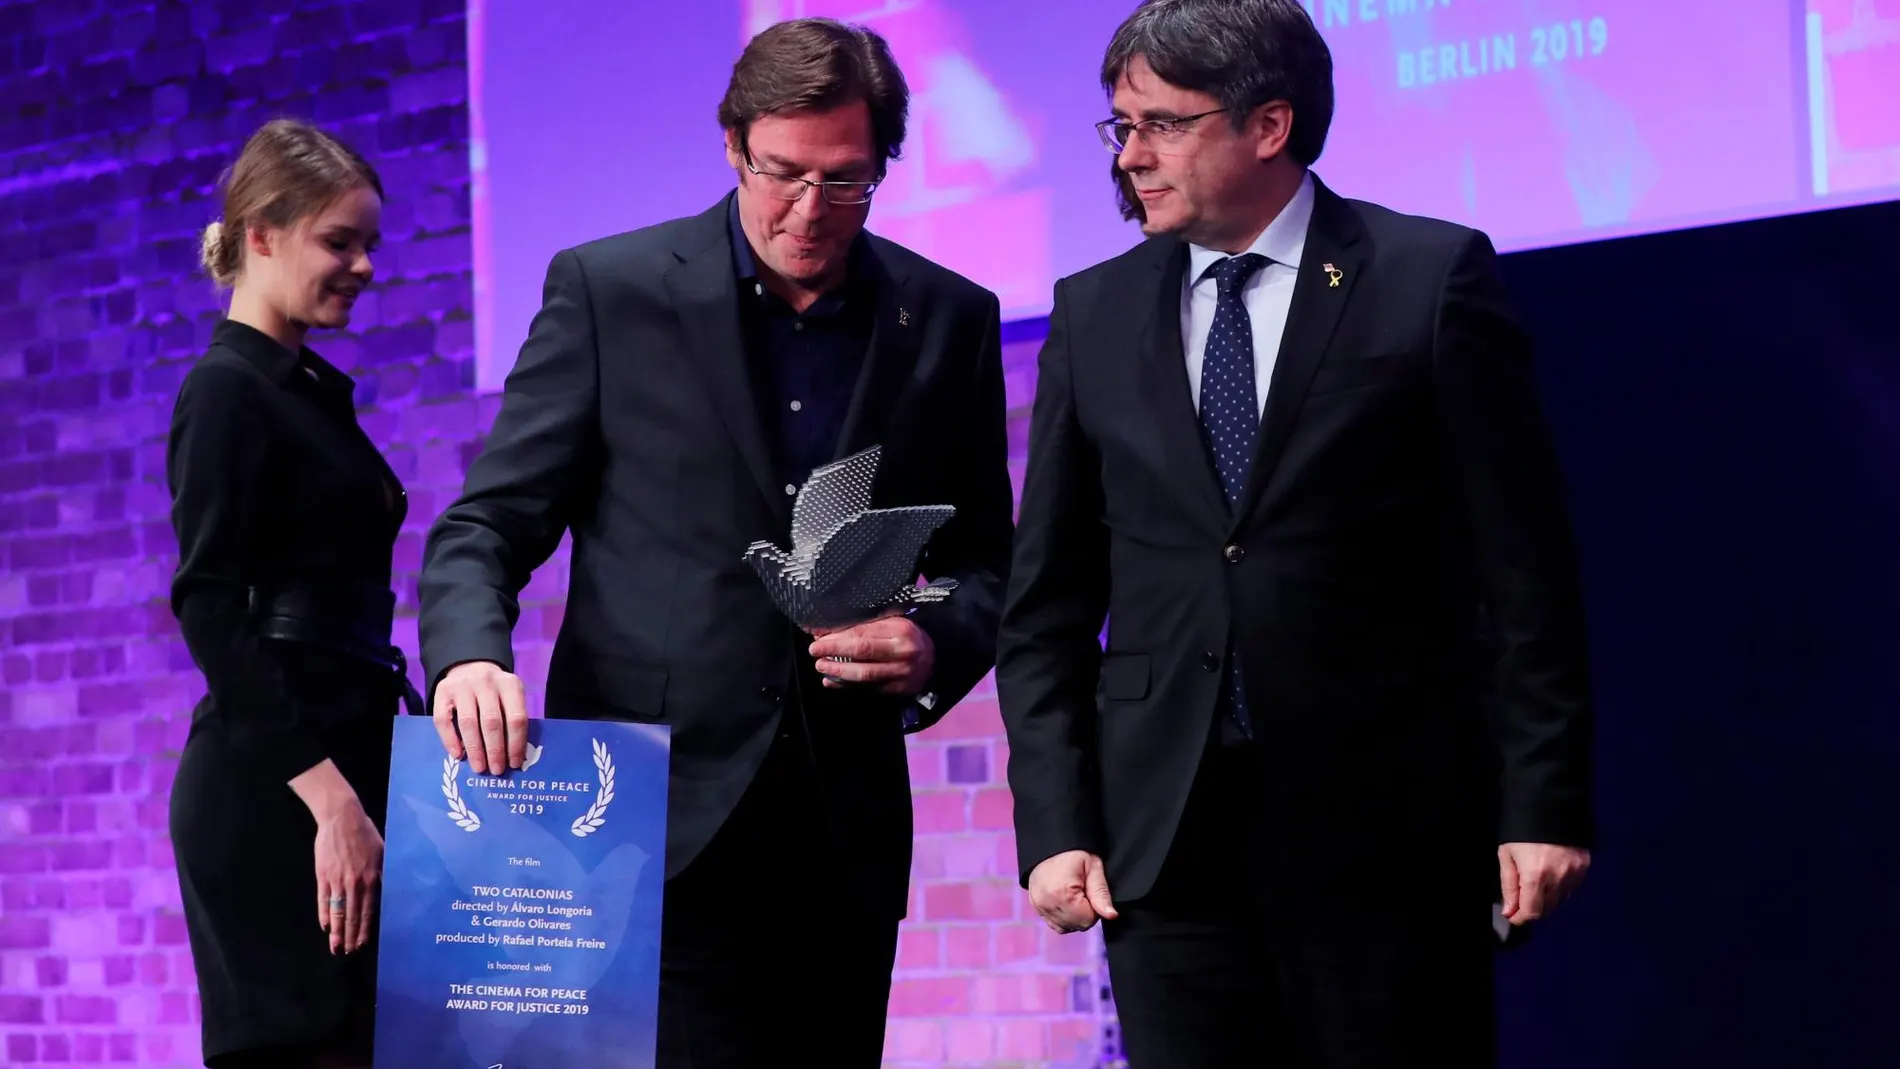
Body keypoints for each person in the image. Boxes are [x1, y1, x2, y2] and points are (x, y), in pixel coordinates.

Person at [995, 1, 1596, 1066]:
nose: (1129, 154)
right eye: (1118, 126)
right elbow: (1044, 606)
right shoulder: (1091, 312)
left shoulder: (1425, 277)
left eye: (1159, 124)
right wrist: (1053, 823)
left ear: (1267, 126)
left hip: (1388, 827)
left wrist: (1541, 802)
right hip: (1162, 842)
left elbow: (1525, 576)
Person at [416, 17, 1013, 1067]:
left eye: (845, 182)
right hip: (640, 821)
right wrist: (469, 651)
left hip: (839, 828)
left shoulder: (946, 317)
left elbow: (989, 566)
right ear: (731, 142)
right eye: (781, 173)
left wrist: (935, 645)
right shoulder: (612, 292)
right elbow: (486, 522)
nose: (808, 211)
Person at [167, 118, 409, 1069]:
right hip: (283, 791)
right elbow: (209, 605)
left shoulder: (303, 388)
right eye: (338, 241)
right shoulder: (226, 389)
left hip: (344, 753)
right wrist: (332, 804)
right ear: (260, 234)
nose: (363, 266)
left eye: (369, 245)